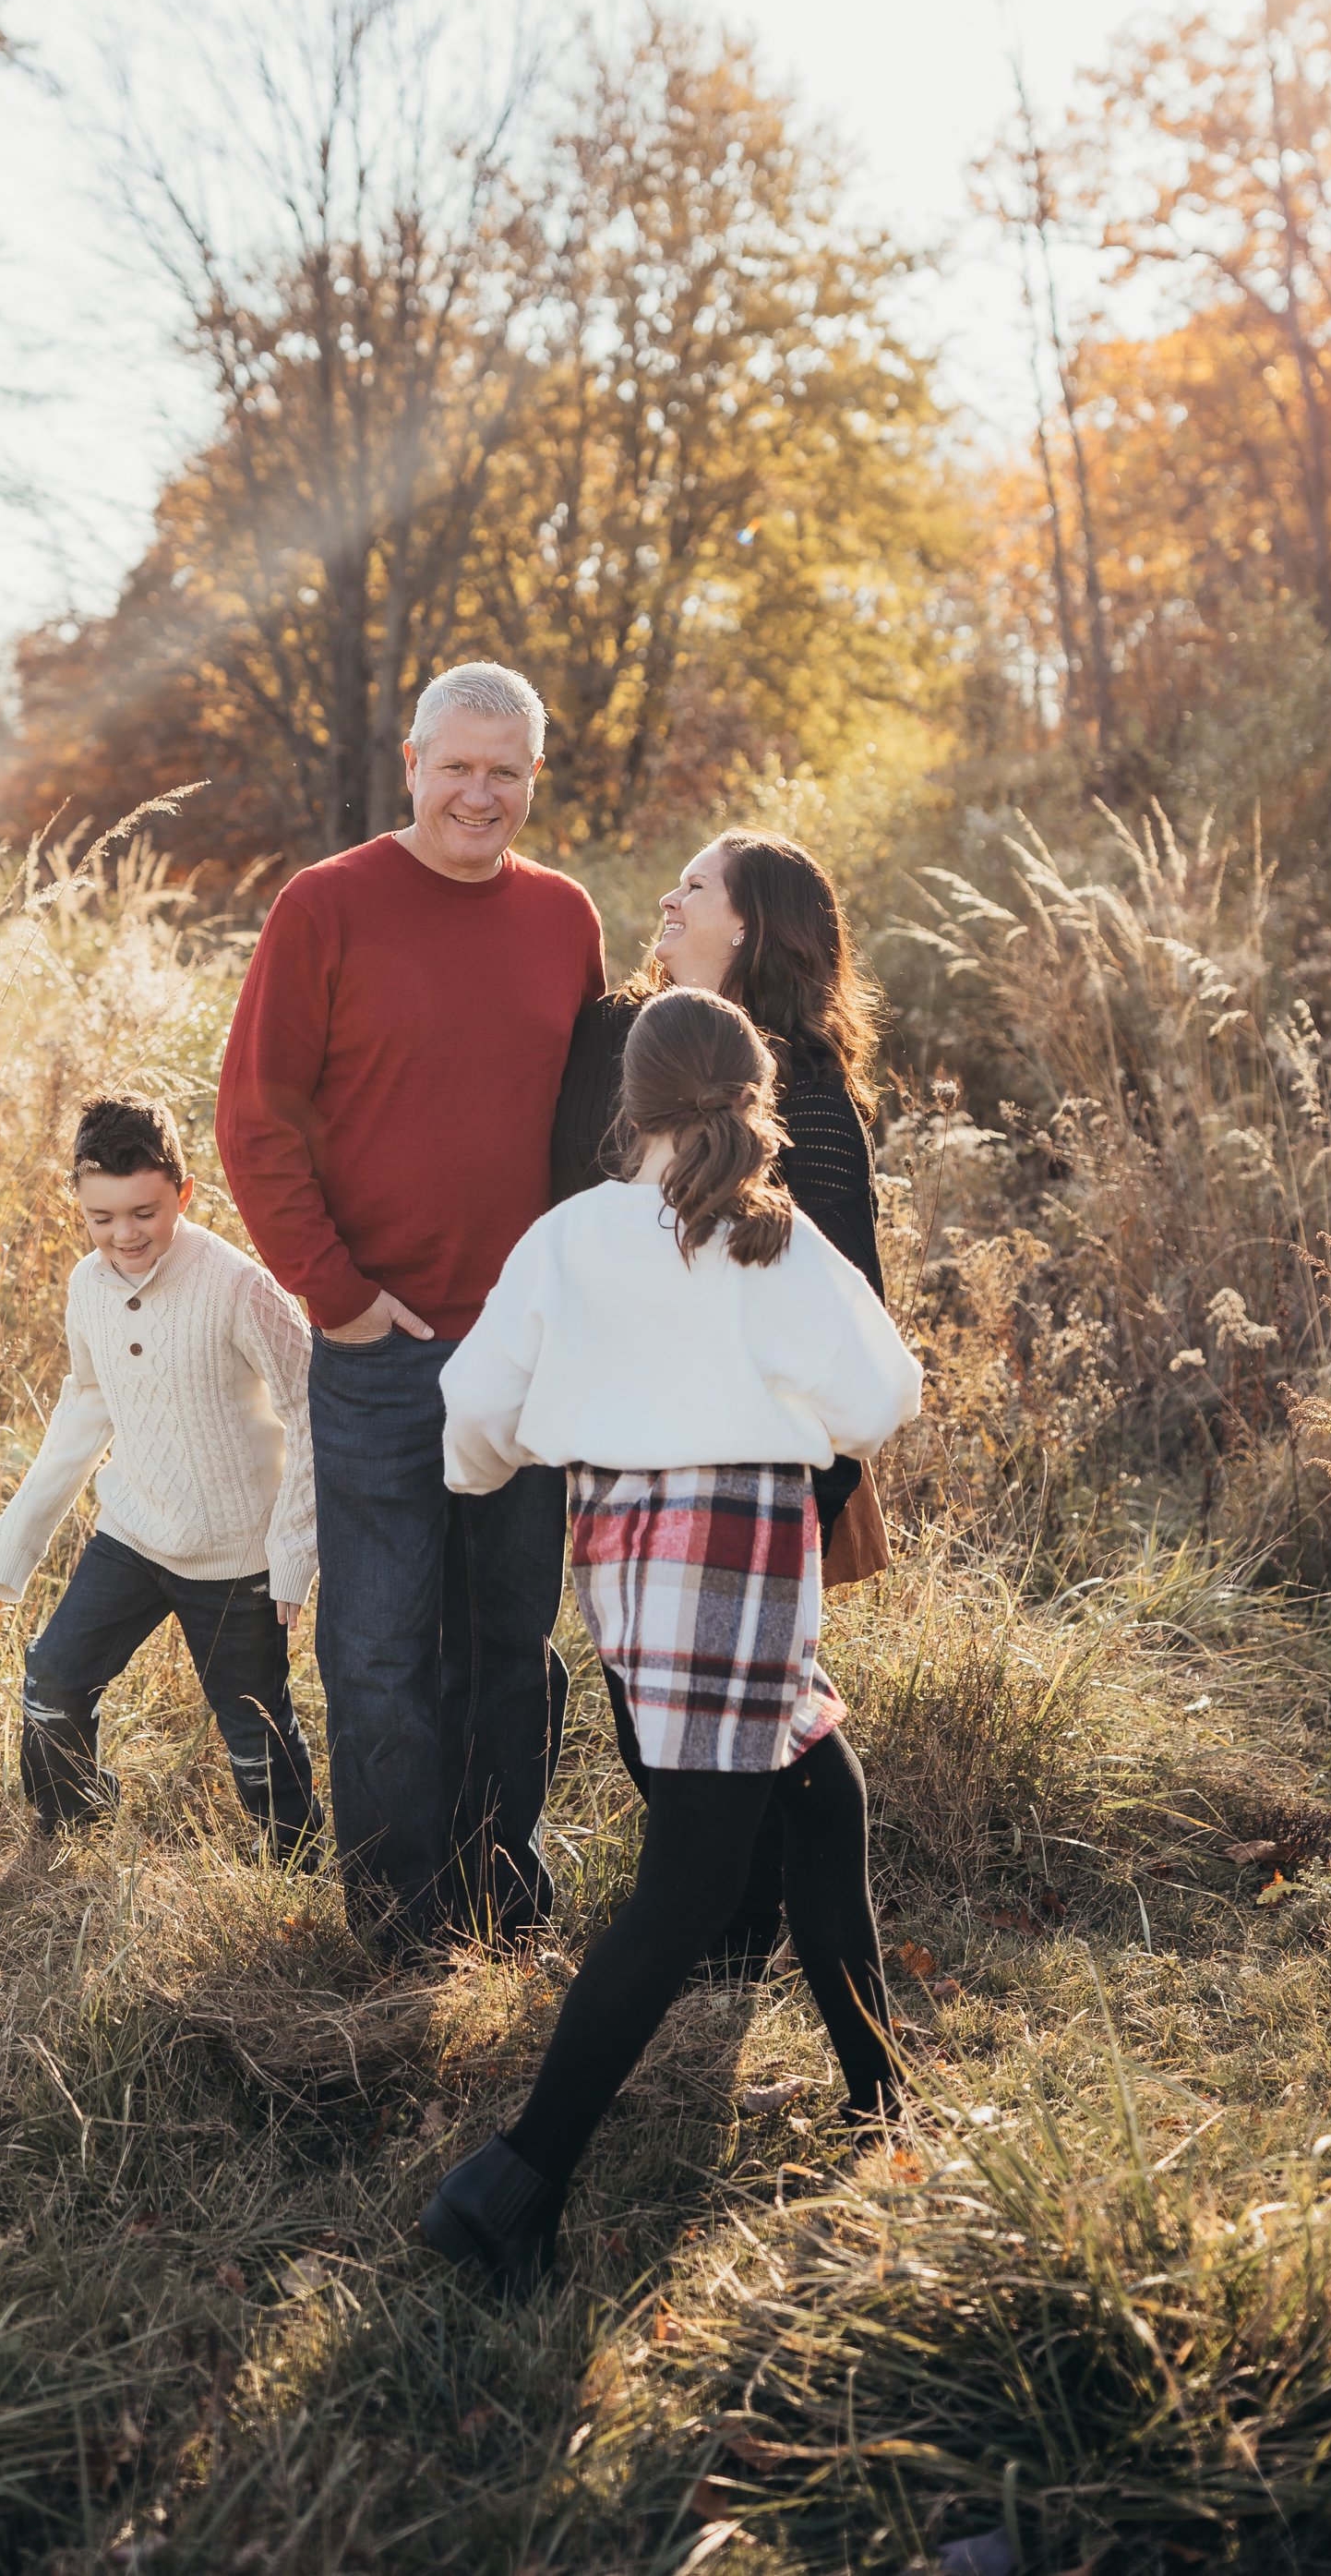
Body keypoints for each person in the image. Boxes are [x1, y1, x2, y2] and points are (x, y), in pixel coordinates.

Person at [423, 986, 923, 2287]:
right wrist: (784, 1398)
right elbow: (882, 1394)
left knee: (824, 1796)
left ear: (624, 1103)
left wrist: (489, 1465)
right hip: (739, 1547)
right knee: (691, 1882)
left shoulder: (569, 1235)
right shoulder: (774, 1240)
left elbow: (472, 1406)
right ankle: (515, 2180)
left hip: (629, 1553)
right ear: (754, 1094)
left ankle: (886, 2106)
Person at [215, 660, 606, 1962]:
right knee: (380, 1649)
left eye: (506, 771)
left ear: (533, 779)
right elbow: (256, 1122)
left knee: (509, 1641)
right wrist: (342, 1299)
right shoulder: (325, 905)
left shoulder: (564, 918)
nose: (479, 793)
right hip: (383, 1350)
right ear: (415, 762)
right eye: (458, 766)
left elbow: (589, 1131)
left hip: (524, 1354)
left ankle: (502, 1892)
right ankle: (399, 1931)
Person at [552, 827, 890, 1962]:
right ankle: (724, 1922)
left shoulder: (805, 1090)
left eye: (693, 885)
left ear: (745, 924)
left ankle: (730, 1931)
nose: (667, 894)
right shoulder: (616, 1039)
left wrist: (821, 1482)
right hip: (617, 1440)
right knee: (640, 1693)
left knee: (754, 1717)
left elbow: (850, 1292)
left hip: (749, 1459)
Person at [0, 1092, 320, 1861]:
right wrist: (17, 1542)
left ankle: (293, 1865)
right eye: (102, 1218)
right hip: (133, 1534)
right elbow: (87, 1403)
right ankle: (74, 1831)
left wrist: (295, 1554)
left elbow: (313, 1413)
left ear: (184, 1192)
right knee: (53, 1683)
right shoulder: (86, 1285)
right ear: (78, 1203)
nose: (124, 1236)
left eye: (144, 1212)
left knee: (254, 1734)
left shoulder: (238, 1287)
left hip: (236, 1555)